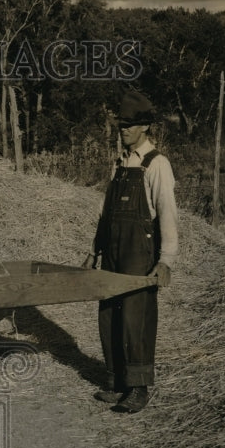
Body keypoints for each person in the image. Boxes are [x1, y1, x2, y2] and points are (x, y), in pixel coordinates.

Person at [82, 89, 178, 414]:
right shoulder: (120, 163)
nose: (122, 130)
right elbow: (104, 212)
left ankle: (138, 388)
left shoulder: (157, 164)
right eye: (120, 124)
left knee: (135, 318)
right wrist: (94, 251)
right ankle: (116, 380)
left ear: (145, 127)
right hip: (111, 249)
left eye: (129, 125)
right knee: (109, 314)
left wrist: (165, 260)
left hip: (139, 250)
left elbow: (168, 213)